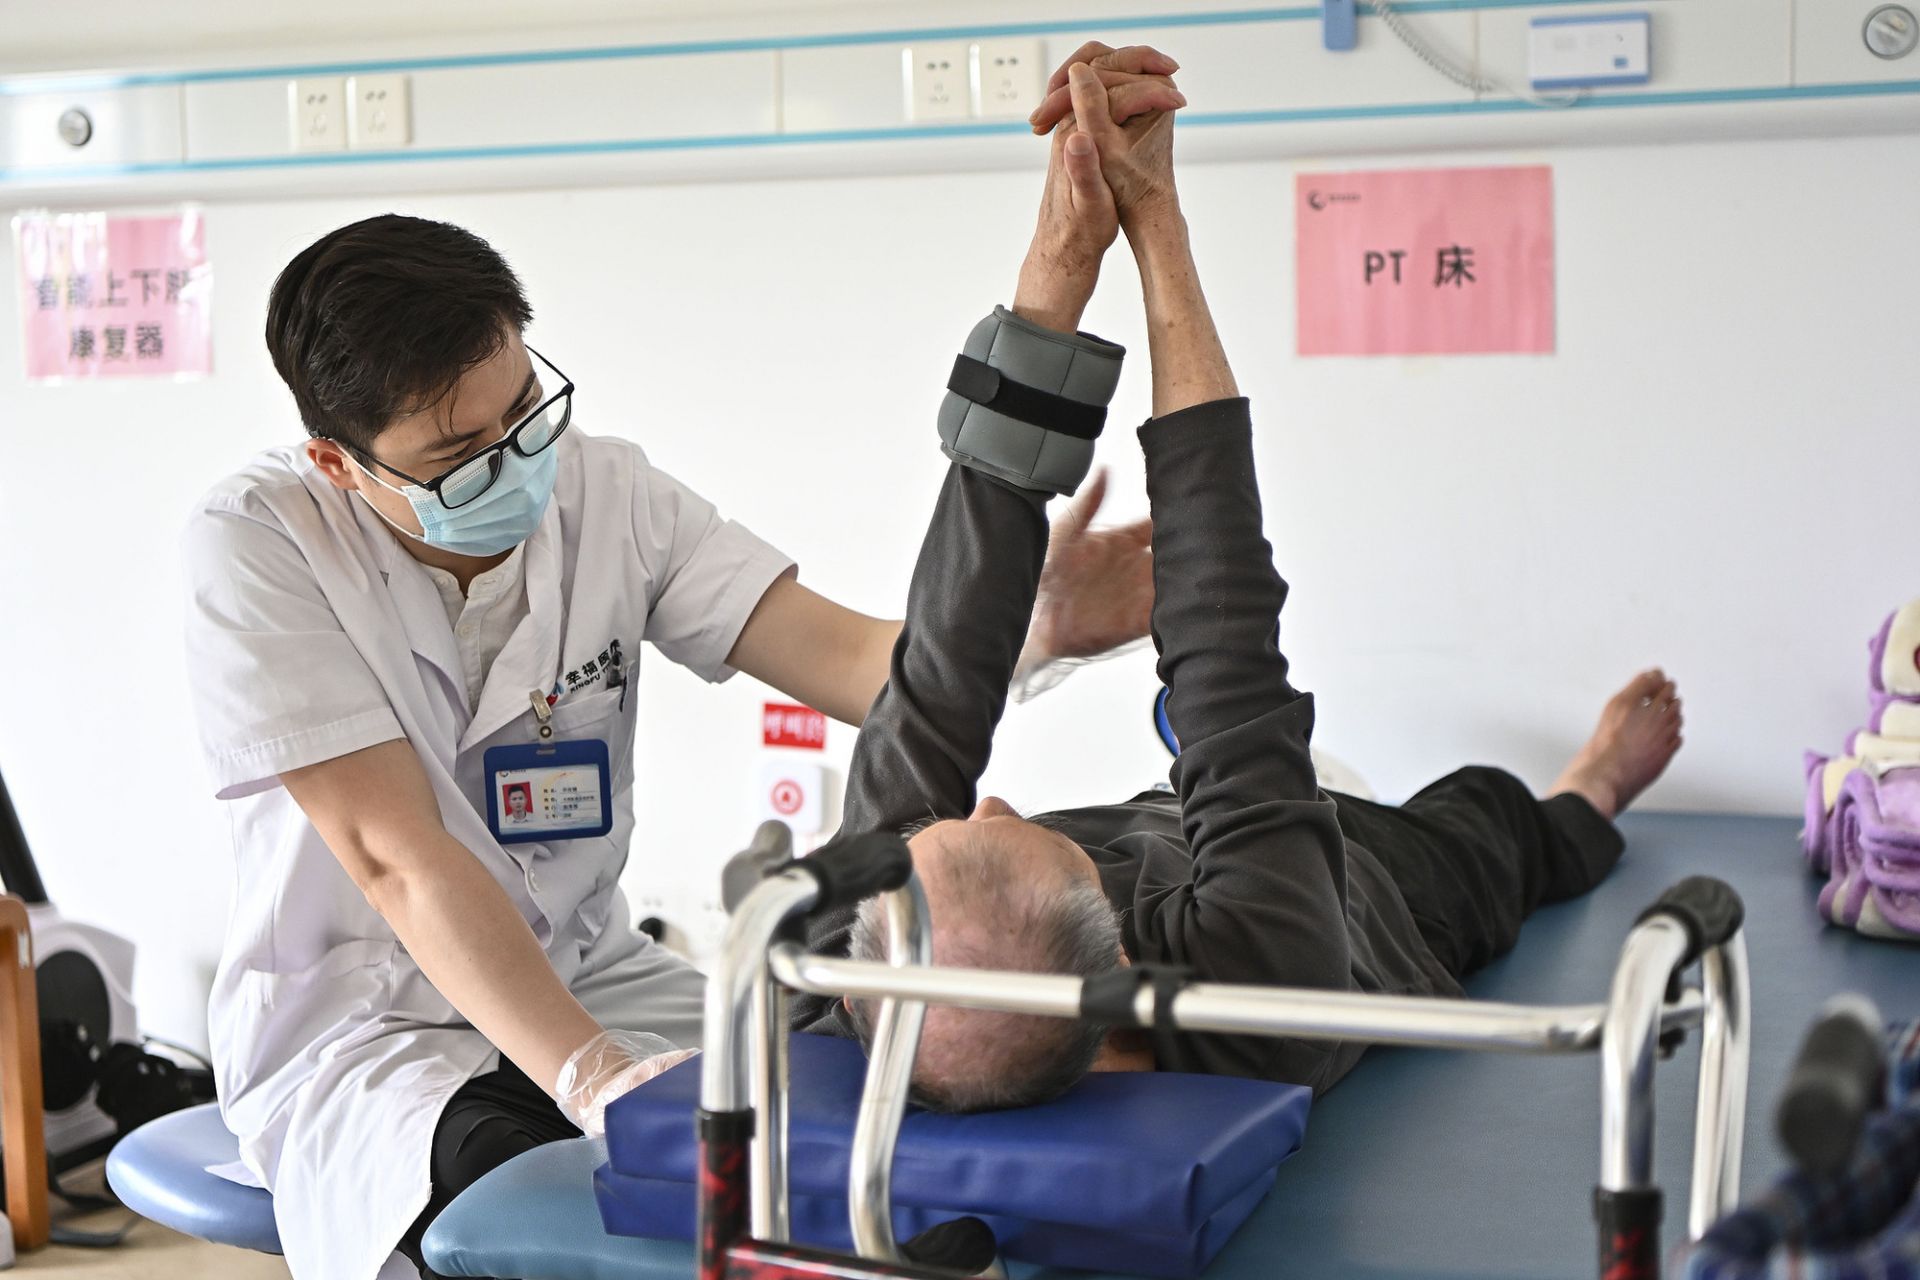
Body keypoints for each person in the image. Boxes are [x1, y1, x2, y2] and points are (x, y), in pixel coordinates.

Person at [179, 59, 1180, 1280]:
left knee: (860, 1100)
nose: (516, 461)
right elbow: (399, 860)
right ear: (341, 463)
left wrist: (1029, 624)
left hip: (596, 969)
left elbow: (860, 664)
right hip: (375, 1024)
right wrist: (589, 1073)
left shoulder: (610, 491)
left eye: (524, 409)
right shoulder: (260, 543)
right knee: (525, 1199)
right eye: (460, 452)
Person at [793, 45, 1687, 1114]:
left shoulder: (856, 956)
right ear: (1127, 969)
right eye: (1008, 828)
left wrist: (1059, 263)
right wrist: (1156, 221)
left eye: (960, 827)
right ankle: (1589, 789)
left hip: (1174, 816)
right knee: (1489, 815)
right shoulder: (1262, 992)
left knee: (1214, 779)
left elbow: (940, 678)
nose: (989, 798)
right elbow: (1224, 629)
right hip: (1368, 886)